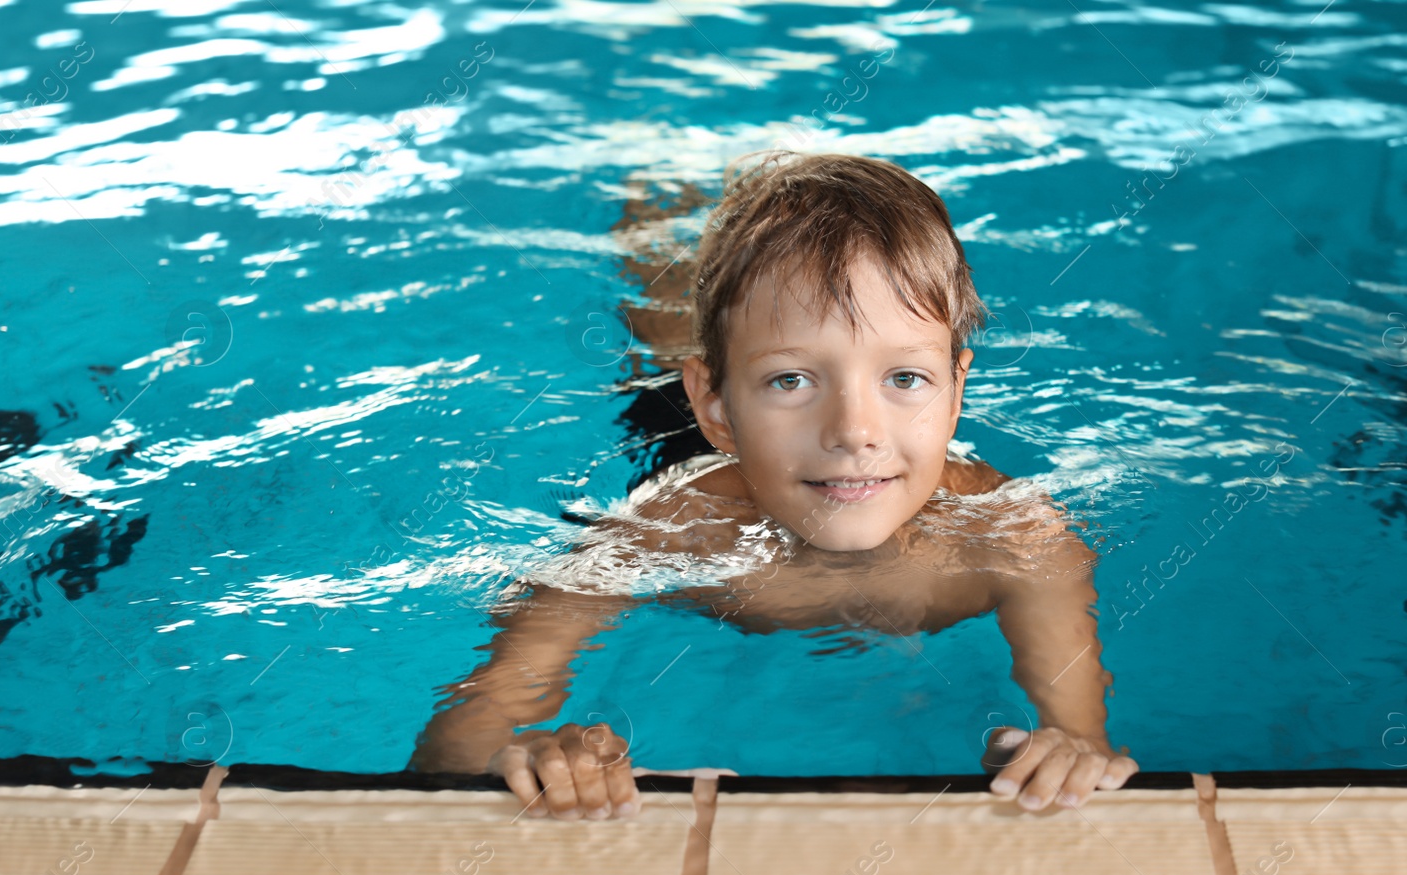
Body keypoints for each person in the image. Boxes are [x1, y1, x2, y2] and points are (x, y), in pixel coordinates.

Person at [409, 151, 1137, 818]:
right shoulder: (664, 530)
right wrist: (531, 763)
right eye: (792, 379)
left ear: (955, 392)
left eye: (906, 377)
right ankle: (657, 190)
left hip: (769, 445)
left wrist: (1065, 755)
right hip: (683, 444)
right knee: (665, 322)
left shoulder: (1017, 539)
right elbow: (464, 738)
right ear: (718, 407)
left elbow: (1083, 746)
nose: (855, 429)